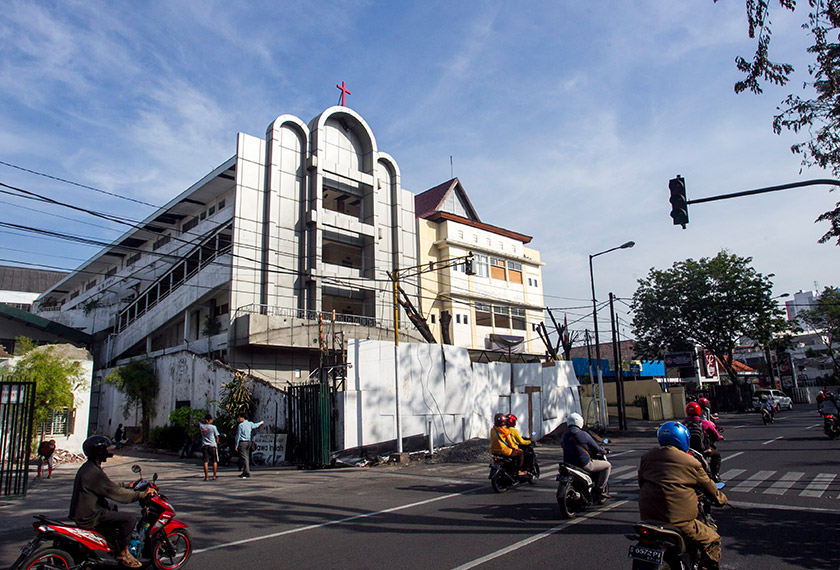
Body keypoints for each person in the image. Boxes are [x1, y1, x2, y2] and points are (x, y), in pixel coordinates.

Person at [638, 421, 728, 570]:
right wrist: (722, 499)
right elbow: (710, 488)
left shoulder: (647, 457)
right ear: (683, 439)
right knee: (713, 540)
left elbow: (641, 482)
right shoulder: (691, 462)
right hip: (679, 522)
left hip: (648, 518)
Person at [69, 435, 154, 569]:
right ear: (100, 452)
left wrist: (126, 485)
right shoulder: (93, 472)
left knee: (113, 508)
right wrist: (141, 494)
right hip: (90, 516)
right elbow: (116, 493)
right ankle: (123, 553)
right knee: (129, 519)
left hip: (85, 512)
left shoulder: (89, 467)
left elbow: (106, 486)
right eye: (106, 449)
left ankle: (111, 545)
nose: (109, 452)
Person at [560, 412, 611, 501]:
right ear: (580, 422)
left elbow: (563, 446)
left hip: (568, 464)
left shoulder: (564, 435)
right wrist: (605, 451)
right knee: (607, 465)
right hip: (583, 464)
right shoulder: (583, 434)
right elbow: (597, 448)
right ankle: (600, 490)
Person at [681, 402, 723, 481]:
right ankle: (715, 475)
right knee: (716, 455)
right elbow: (715, 434)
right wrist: (719, 437)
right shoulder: (703, 422)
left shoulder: (683, 424)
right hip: (703, 450)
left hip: (688, 451)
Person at [199, 414, 220, 481]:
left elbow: (199, 421)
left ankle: (206, 477)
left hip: (205, 445)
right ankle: (214, 475)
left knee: (206, 461)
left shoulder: (201, 427)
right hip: (212, 445)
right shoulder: (213, 427)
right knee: (214, 461)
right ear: (209, 420)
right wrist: (217, 443)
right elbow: (217, 436)